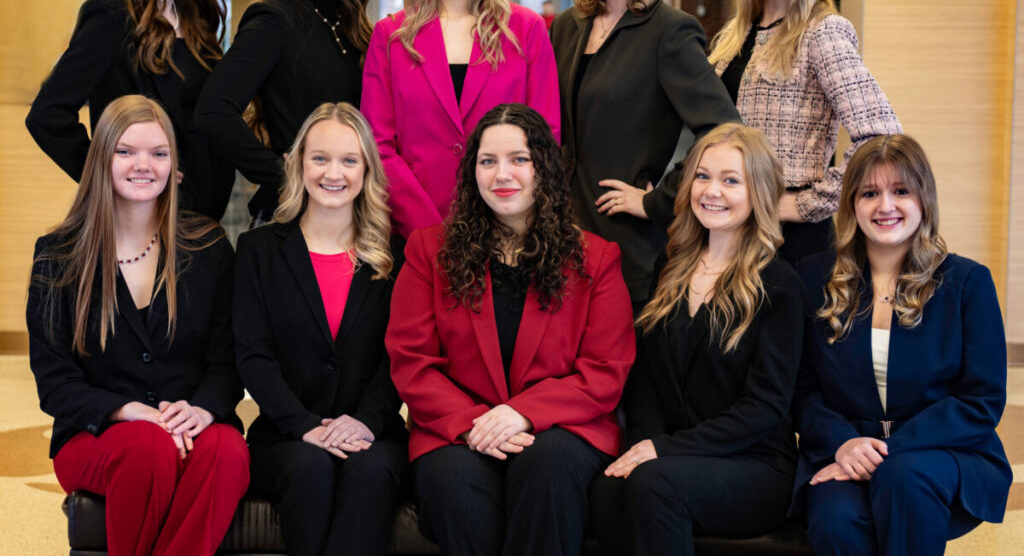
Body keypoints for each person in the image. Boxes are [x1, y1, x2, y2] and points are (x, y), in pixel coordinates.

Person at [386, 104, 634, 556]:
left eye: (519, 159)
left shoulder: (595, 259)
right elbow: (412, 364)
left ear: (544, 168)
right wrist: (474, 423)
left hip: (564, 430)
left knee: (548, 466)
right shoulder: (429, 252)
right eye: (488, 161)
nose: (503, 174)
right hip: (458, 429)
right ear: (472, 172)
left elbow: (605, 371)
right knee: (452, 483)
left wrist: (521, 414)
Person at [26, 95, 249, 556]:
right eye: (125, 151)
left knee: (229, 452)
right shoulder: (57, 254)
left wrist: (203, 410)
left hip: (192, 426)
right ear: (101, 159)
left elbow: (229, 362)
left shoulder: (209, 247)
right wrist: (129, 412)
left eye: (159, 153)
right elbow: (55, 383)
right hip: (98, 436)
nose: (143, 165)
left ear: (174, 164)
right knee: (147, 448)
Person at [589, 123, 804, 555]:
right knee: (606, 491)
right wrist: (642, 445)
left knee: (656, 484)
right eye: (702, 176)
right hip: (675, 455)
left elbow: (764, 409)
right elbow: (645, 379)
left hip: (753, 464)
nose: (712, 191)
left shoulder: (778, 285)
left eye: (730, 180)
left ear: (758, 192)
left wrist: (662, 449)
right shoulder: (669, 268)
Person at [793, 134, 1011, 555]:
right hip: (847, 448)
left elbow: (981, 399)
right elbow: (802, 390)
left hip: (944, 452)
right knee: (836, 520)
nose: (885, 206)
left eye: (901, 191)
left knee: (902, 476)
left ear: (923, 200)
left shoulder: (967, 283)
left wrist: (889, 450)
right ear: (852, 205)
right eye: (870, 193)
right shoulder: (812, 279)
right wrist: (843, 443)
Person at [550, 0, 739, 309]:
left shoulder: (670, 31)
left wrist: (659, 200)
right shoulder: (567, 26)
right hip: (563, 236)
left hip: (627, 246)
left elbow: (725, 132)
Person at [233, 102, 407, 556]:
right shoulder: (258, 250)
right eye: (320, 158)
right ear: (299, 164)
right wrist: (305, 425)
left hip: (374, 431)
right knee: (309, 468)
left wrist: (366, 422)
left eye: (349, 160)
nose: (334, 173)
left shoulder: (396, 254)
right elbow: (253, 356)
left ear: (367, 168)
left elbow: (401, 358)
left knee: (368, 473)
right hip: (285, 433)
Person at [709, 0, 902, 266]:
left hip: (791, 239)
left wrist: (804, 205)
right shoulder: (735, 33)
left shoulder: (822, 32)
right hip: (734, 223)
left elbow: (881, 134)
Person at [26, 0, 235, 221]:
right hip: (140, 216)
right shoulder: (111, 18)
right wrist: (107, 176)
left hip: (202, 217)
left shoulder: (199, 22)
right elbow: (48, 115)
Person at [362, 0, 560, 240]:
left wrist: (505, 218)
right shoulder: (391, 36)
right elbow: (378, 147)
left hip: (507, 231)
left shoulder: (526, 30)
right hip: (414, 233)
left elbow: (544, 137)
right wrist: (428, 231)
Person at [197, 0, 371, 223]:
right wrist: (285, 177)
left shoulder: (353, 23)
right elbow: (213, 111)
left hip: (350, 212)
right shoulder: (273, 20)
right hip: (293, 217)